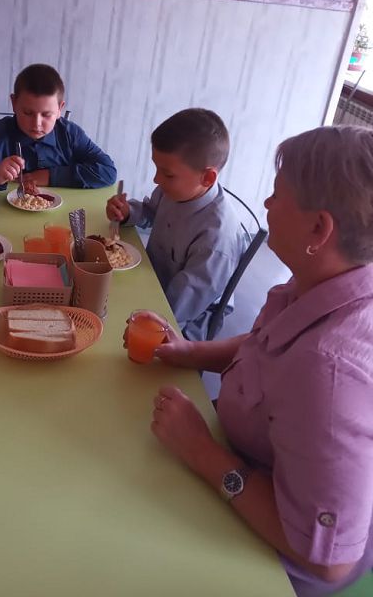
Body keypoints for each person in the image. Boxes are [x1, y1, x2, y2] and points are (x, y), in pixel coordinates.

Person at [149, 125, 373, 596]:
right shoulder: (321, 281)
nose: (267, 204)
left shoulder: (328, 372)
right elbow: (262, 346)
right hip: (243, 459)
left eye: (277, 194)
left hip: (277, 560)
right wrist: (188, 352)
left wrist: (201, 451)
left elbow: (328, 561)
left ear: (319, 229)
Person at [107, 108, 246, 341]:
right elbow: (150, 212)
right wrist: (128, 212)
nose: (156, 179)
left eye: (167, 174)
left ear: (207, 178)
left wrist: (132, 308)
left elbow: (176, 309)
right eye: (157, 168)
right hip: (151, 281)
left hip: (184, 323)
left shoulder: (216, 240)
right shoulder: (175, 190)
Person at [0, 63, 117, 194]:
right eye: (28, 113)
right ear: (14, 103)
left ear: (60, 109)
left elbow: (107, 170)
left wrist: (49, 176)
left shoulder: (70, 135)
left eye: (46, 114)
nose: (36, 124)